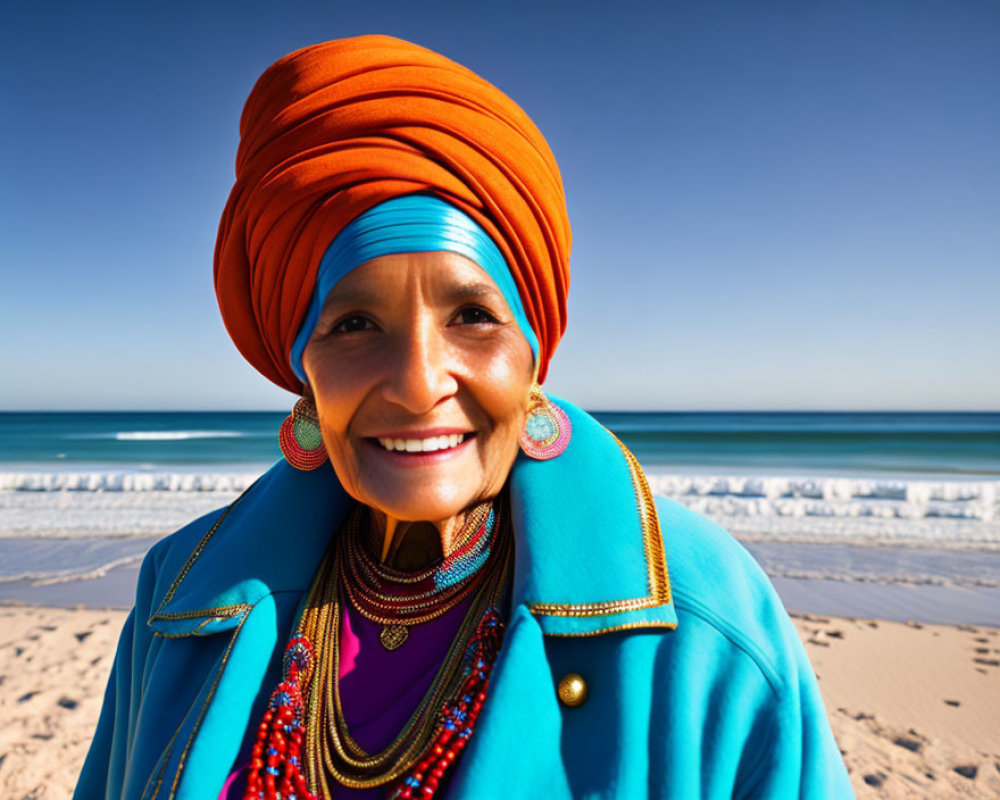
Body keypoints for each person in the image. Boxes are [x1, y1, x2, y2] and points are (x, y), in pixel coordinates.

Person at [74, 35, 854, 799]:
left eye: (474, 316)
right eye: (353, 325)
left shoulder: (705, 624)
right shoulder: (177, 598)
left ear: (534, 353)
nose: (417, 385)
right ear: (302, 366)